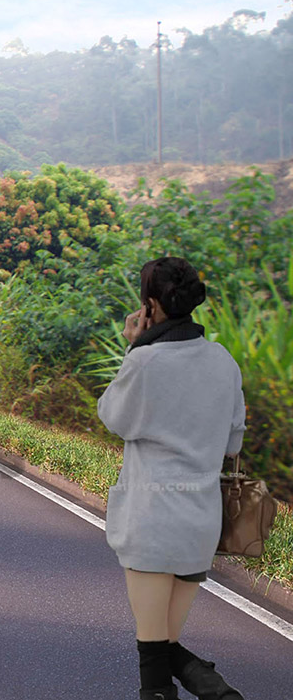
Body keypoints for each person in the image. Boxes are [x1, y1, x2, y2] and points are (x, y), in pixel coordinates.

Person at [97, 257, 246, 700]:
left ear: (149, 306)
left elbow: (113, 417)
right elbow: (233, 443)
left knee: (152, 653)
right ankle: (213, 687)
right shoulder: (224, 362)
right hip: (200, 524)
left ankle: (218, 691)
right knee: (162, 645)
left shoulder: (146, 362)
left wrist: (134, 348)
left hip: (151, 520)